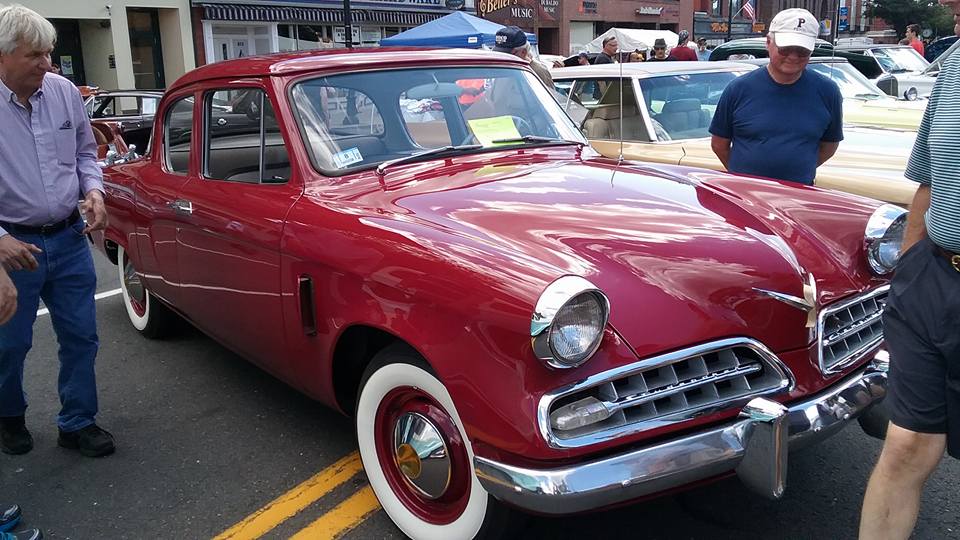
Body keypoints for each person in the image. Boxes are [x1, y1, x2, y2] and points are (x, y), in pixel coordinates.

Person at [859, 0, 960, 537]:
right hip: (935, 276)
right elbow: (927, 179)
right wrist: (909, 268)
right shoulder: (956, 65)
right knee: (906, 444)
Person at [0, 5, 114, 458]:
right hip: (14, 246)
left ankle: (77, 421)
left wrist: (95, 191)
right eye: (36, 56)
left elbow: (87, 152)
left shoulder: (64, 92)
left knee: (81, 335)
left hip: (68, 239)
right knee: (10, 344)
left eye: (49, 53)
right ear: (3, 56)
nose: (48, 64)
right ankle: (8, 415)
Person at [708, 8, 842, 185]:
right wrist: (744, 176)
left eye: (802, 51)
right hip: (747, 196)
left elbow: (829, 146)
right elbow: (719, 144)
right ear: (768, 43)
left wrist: (798, 172)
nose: (793, 56)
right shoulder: (738, 89)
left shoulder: (828, 91)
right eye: (785, 49)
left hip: (799, 197)